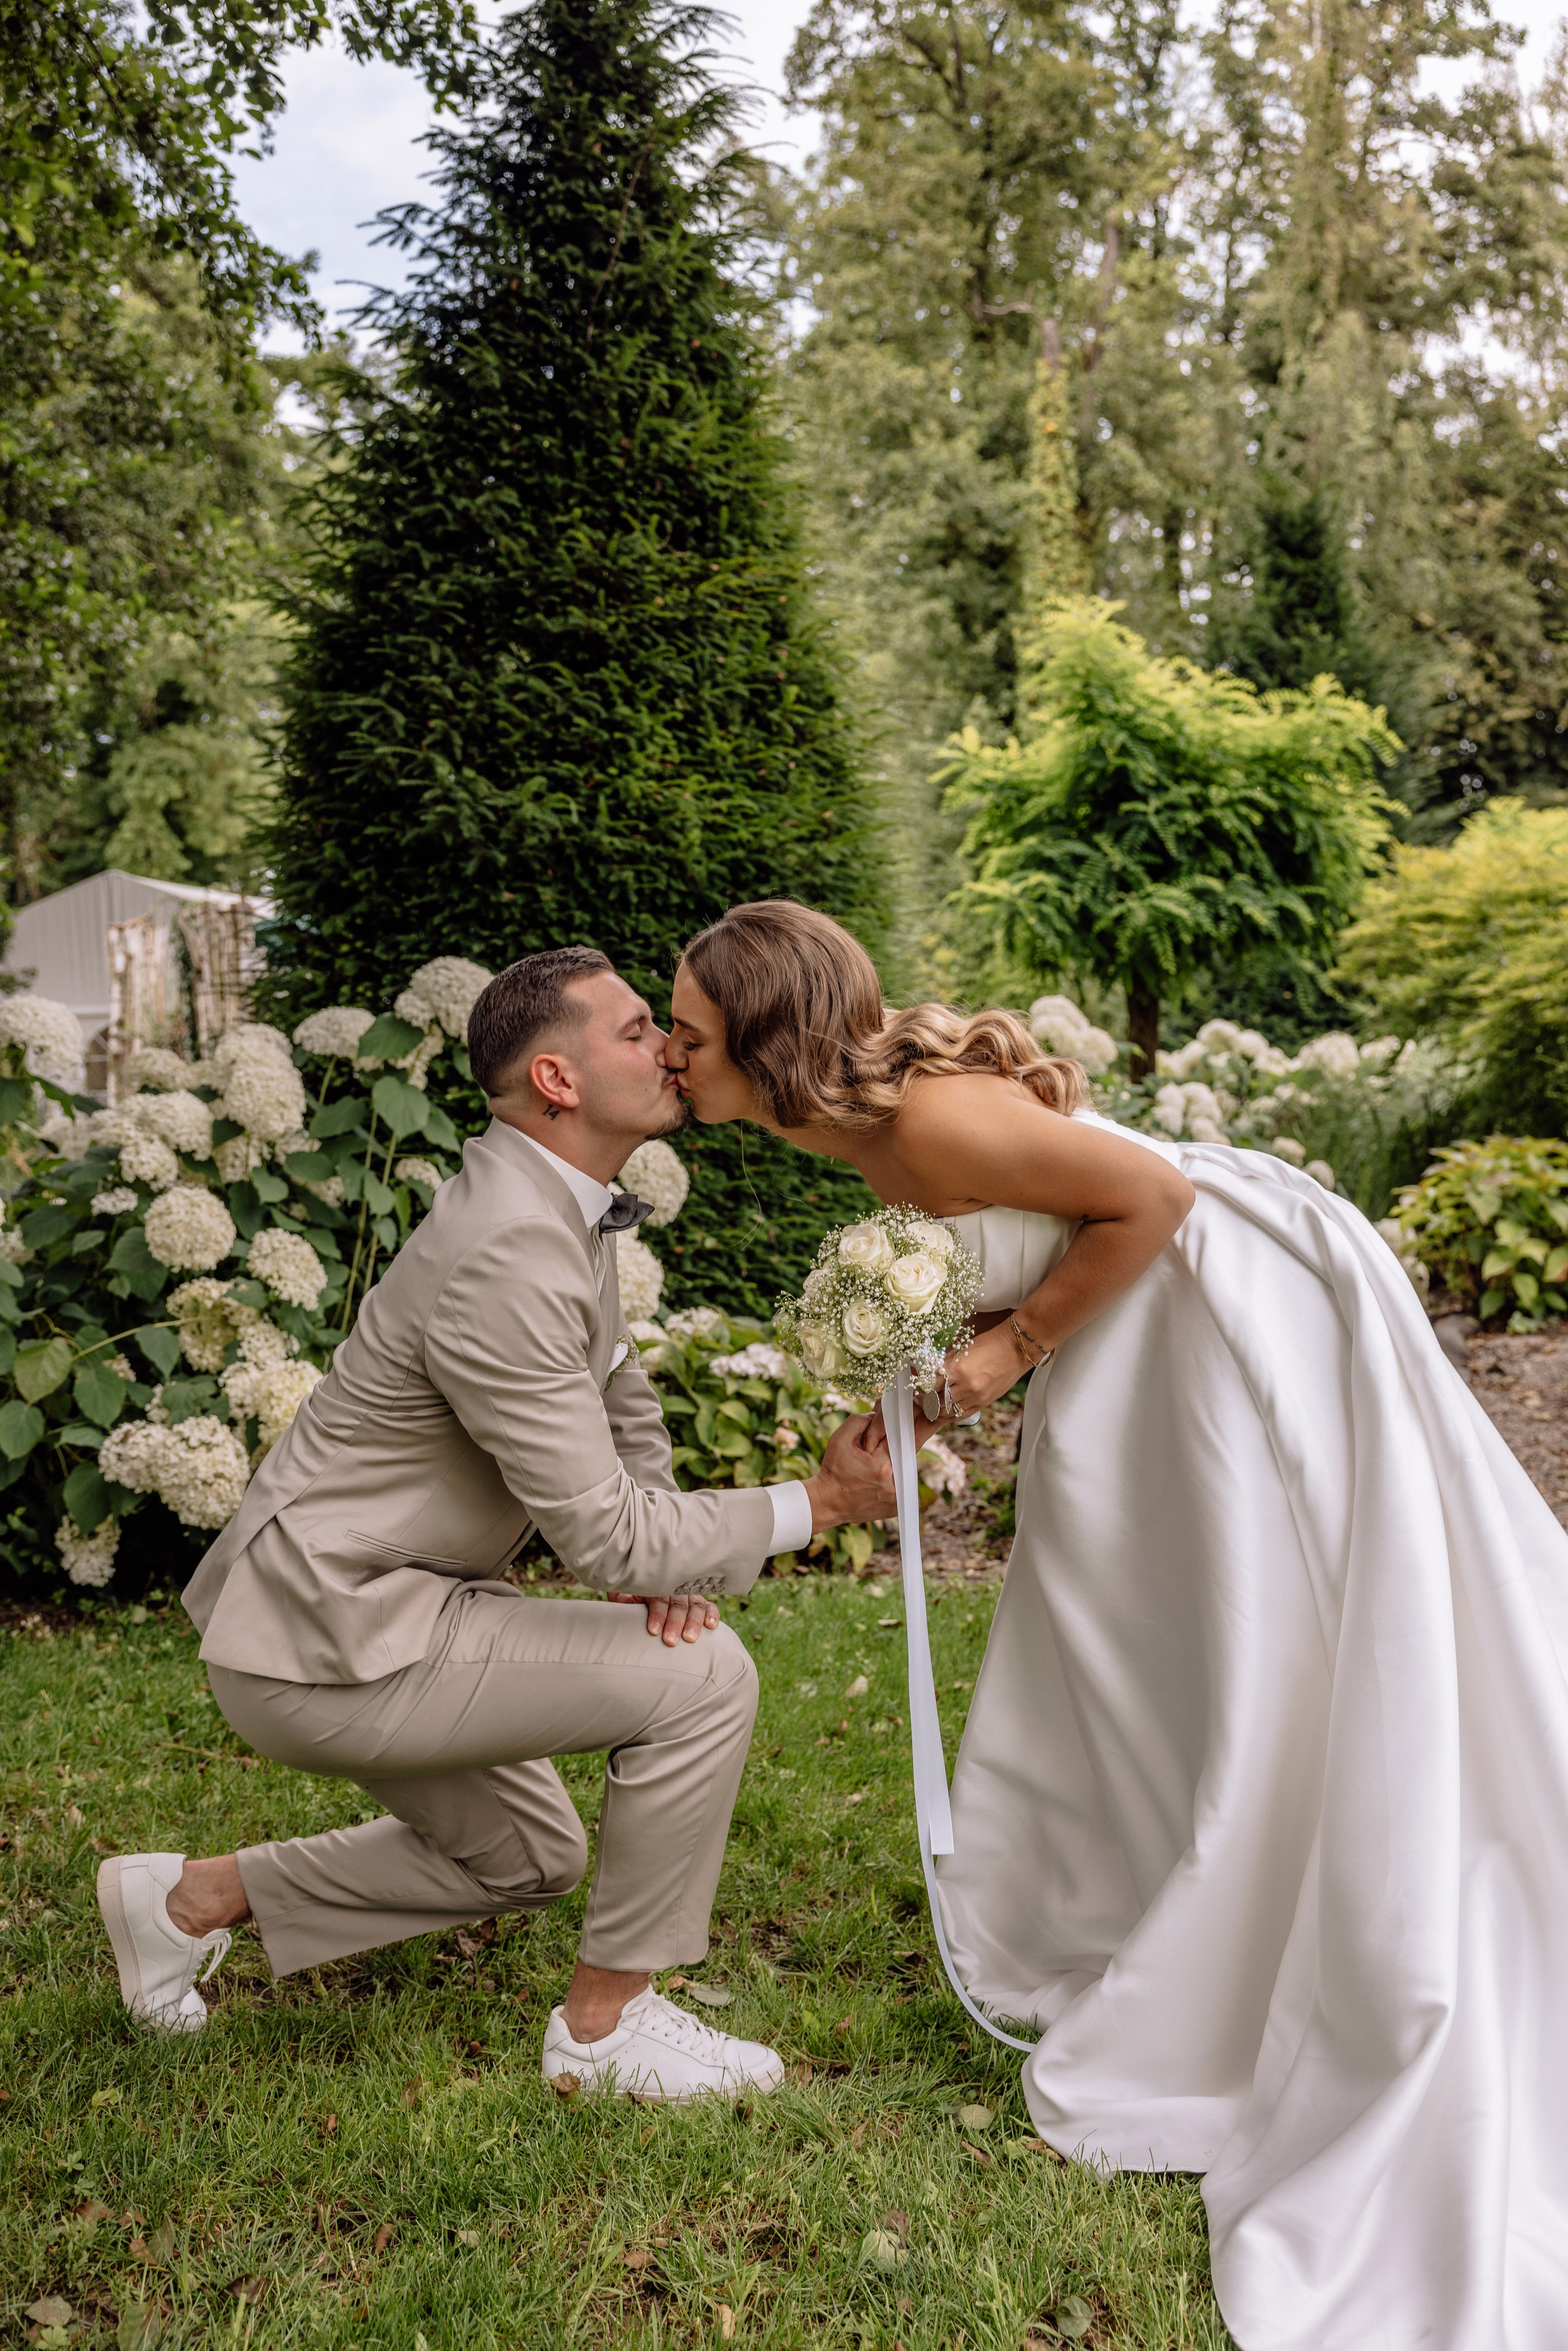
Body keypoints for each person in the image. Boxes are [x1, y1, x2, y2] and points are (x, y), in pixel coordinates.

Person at [663, 899, 1568, 2351]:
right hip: (1139, 1323)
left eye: (689, 1032)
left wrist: (1012, 1348)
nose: (668, 1048)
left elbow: (1150, 1200)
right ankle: (1189, 1870)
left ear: (765, 1042)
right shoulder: (856, 1127)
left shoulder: (932, 1128)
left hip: (1226, 1308)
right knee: (1129, 1621)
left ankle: (1281, 1874)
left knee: (1258, 1615)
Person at [95, 946, 894, 2100]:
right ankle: (607, 2034)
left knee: (529, 1856)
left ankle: (184, 1901)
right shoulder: (506, 1246)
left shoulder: (560, 1209)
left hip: (393, 1602)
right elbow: (606, 1535)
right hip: (327, 1632)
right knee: (706, 1678)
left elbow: (623, 1411)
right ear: (558, 1080)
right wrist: (815, 1506)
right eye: (636, 1031)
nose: (669, 1046)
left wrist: (665, 1561)